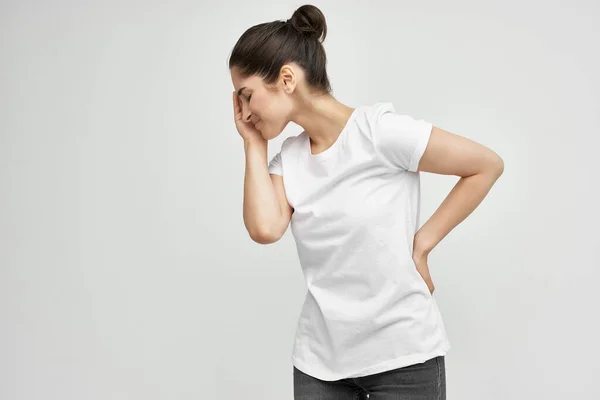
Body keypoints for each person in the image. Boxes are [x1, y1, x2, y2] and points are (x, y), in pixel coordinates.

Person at [228, 4, 504, 399]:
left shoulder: (378, 133)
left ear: (286, 78)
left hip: (403, 357)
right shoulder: (288, 159)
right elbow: (265, 229)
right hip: (319, 365)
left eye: (247, 95)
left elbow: (485, 165)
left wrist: (423, 245)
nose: (244, 111)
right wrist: (253, 144)